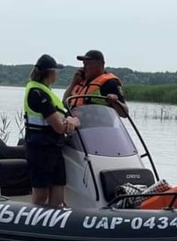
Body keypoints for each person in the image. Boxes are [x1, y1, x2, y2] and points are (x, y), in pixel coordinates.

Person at [24, 54, 80, 206]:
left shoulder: (46, 92)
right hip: (40, 150)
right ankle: (33, 224)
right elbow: (59, 126)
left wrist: (70, 120)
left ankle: (55, 222)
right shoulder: (37, 94)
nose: (58, 74)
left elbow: (62, 118)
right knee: (41, 195)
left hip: (54, 148)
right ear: (50, 73)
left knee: (58, 193)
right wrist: (72, 121)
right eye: (56, 71)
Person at [63, 49, 129, 118]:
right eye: (83, 64)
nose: (84, 68)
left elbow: (125, 114)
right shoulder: (80, 82)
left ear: (99, 64)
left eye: (87, 64)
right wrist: (73, 82)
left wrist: (114, 102)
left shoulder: (110, 83)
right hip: (75, 126)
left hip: (98, 126)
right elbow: (65, 103)